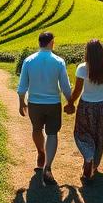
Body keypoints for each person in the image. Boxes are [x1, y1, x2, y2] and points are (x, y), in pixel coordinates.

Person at [16, 30, 73, 186]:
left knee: (36, 129)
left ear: (39, 42)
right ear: (51, 42)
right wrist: (70, 101)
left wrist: (21, 101)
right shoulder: (59, 61)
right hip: (53, 103)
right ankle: (47, 166)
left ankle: (41, 153)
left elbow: (22, 85)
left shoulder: (28, 60)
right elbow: (65, 86)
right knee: (52, 133)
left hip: (34, 102)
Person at [65, 39, 103, 182]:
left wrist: (70, 103)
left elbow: (77, 90)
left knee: (81, 133)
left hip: (86, 106)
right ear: (101, 52)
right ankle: (93, 166)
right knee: (99, 136)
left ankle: (88, 158)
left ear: (87, 52)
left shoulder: (82, 68)